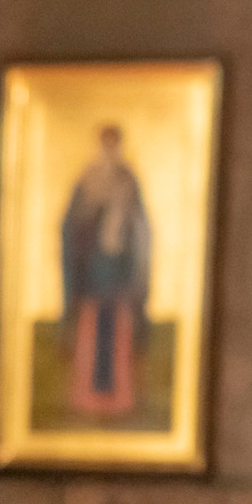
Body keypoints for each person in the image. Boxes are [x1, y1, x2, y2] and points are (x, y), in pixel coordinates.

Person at [61, 123, 153, 418]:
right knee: (92, 328)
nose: (110, 150)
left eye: (114, 144)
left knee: (118, 330)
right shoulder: (87, 180)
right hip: (92, 271)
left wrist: (122, 226)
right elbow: (72, 225)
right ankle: (88, 399)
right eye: (106, 144)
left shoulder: (127, 181)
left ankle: (119, 399)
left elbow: (139, 228)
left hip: (120, 271)